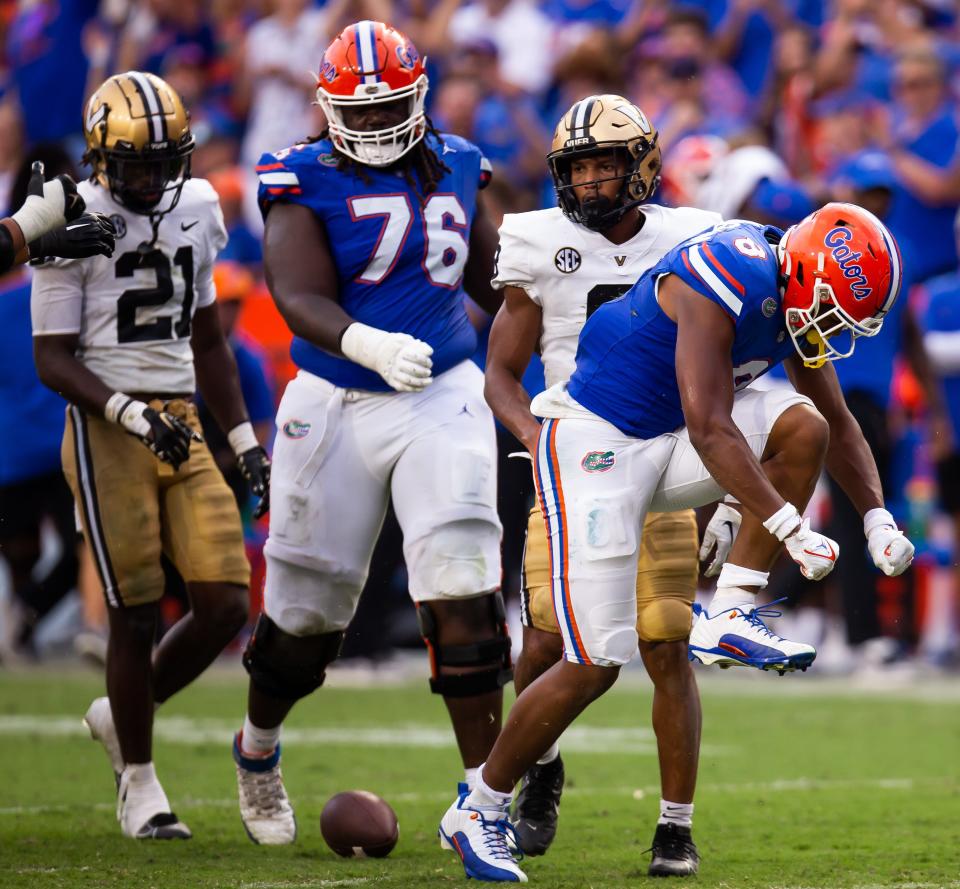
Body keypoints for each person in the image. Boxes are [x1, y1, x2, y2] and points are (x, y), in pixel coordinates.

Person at [439, 203, 915, 882]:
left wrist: (876, 519)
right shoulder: (725, 269)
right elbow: (709, 425)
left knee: (803, 426)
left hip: (665, 439)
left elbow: (836, 421)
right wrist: (787, 525)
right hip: (597, 445)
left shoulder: (791, 290)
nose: (833, 328)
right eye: (833, 309)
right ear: (809, 272)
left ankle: (732, 608)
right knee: (592, 660)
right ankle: (479, 807)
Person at [231, 21, 505, 846]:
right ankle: (258, 748)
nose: (380, 121)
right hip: (338, 394)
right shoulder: (298, 173)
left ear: (418, 95)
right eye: (364, 106)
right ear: (328, 106)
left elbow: (499, 279)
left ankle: (483, 799)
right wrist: (367, 340)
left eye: (391, 103)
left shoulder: (459, 162)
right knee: (303, 619)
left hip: (442, 390)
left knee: (464, 586)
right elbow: (294, 291)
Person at [31, 71, 270, 841]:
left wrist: (243, 442)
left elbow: (209, 340)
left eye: (166, 161)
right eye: (136, 164)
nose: (152, 178)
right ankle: (139, 780)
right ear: (102, 157)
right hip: (107, 420)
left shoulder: (197, 207)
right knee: (134, 612)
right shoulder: (68, 213)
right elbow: (53, 357)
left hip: (182, 417)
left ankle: (120, 712)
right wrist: (130, 413)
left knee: (226, 602)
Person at [483, 93, 719, 872]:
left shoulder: (691, 237)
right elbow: (501, 376)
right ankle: (540, 767)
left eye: (602, 165)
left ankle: (676, 824)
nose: (587, 182)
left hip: (662, 463)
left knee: (665, 642)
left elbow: (721, 379)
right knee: (548, 641)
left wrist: (718, 498)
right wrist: (538, 441)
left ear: (643, 166)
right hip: (574, 467)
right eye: (576, 168)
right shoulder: (536, 241)